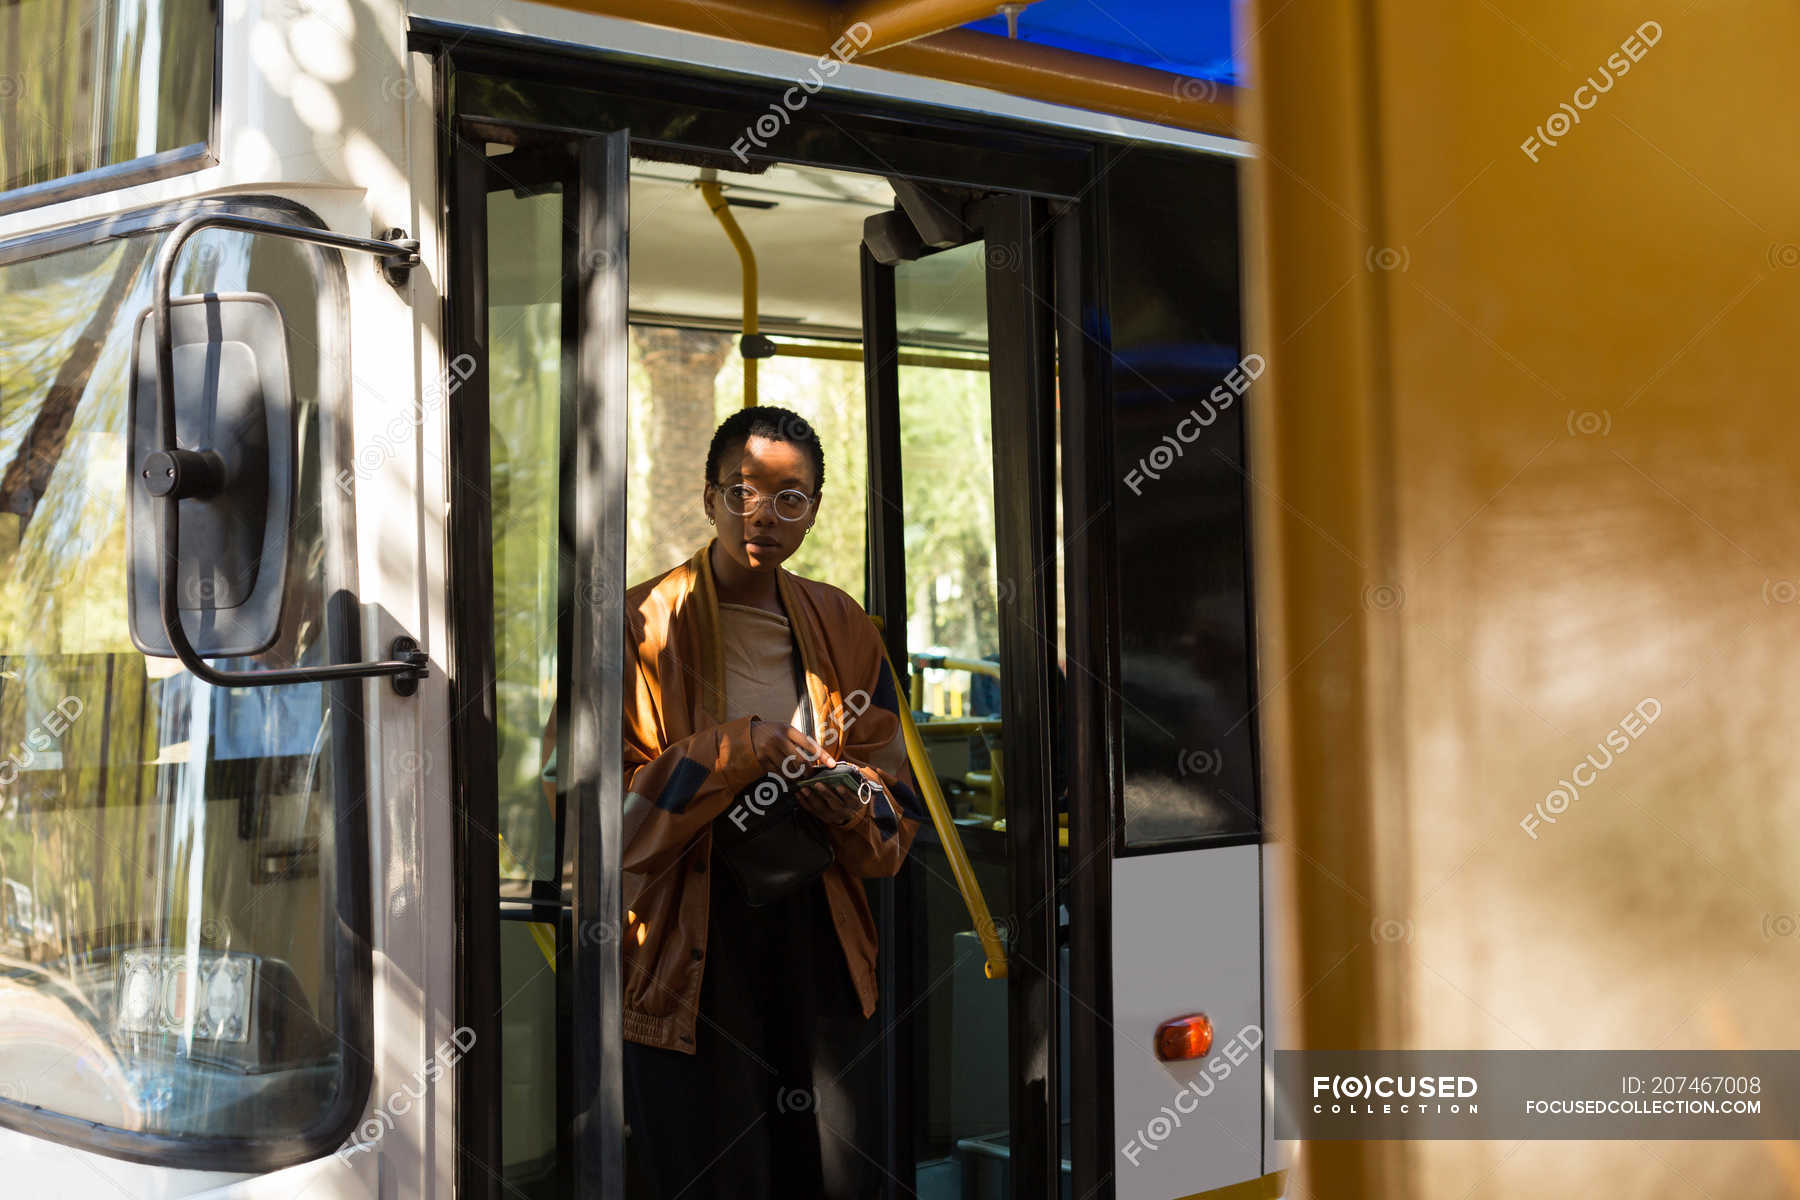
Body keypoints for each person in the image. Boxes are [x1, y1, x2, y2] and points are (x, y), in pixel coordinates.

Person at [619, 405, 923, 1199]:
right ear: (709, 498)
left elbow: (897, 821)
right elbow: (606, 829)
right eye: (744, 491)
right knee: (715, 1168)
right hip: (689, 940)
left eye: (793, 499)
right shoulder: (636, 624)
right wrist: (736, 748)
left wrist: (843, 797)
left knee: (831, 1165)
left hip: (820, 930)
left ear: (816, 510)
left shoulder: (845, 625)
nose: (766, 515)